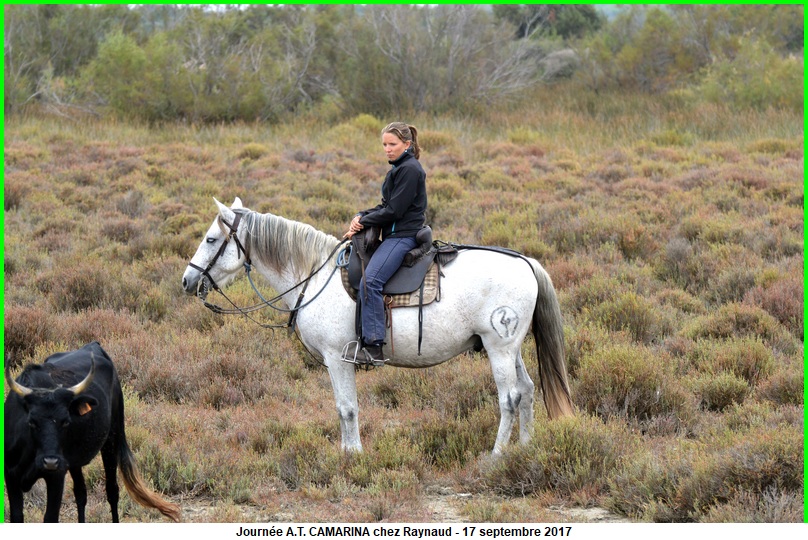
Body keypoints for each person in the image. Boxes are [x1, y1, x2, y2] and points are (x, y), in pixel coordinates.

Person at [342, 122, 427, 365]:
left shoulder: (410, 170)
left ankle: (373, 347)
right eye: (384, 145)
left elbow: (394, 211)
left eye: (392, 144)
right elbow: (385, 206)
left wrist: (364, 221)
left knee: (371, 281)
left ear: (407, 144)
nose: (387, 149)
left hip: (404, 237)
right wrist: (361, 216)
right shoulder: (399, 169)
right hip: (395, 235)